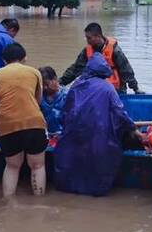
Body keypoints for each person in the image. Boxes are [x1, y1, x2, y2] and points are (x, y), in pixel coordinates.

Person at [54, 53, 145, 196]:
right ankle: (95, 191)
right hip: (99, 134)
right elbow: (120, 113)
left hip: (76, 134)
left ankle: (71, 189)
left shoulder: (76, 85)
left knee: (74, 156)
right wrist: (133, 129)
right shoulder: (108, 88)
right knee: (103, 154)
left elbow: (65, 112)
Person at [0, 43, 48, 198]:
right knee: (37, 166)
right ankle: (39, 201)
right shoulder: (34, 72)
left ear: (4, 60)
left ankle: (8, 204)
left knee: (12, 167)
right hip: (34, 123)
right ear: (24, 58)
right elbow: (38, 101)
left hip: (7, 126)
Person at [59, 22, 142, 93]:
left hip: (116, 90)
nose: (87, 40)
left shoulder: (115, 51)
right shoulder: (86, 51)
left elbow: (126, 71)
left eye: (89, 38)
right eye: (86, 38)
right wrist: (60, 83)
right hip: (95, 90)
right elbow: (76, 69)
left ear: (98, 36)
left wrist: (136, 89)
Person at [38, 66, 67, 134]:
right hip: (45, 136)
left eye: (47, 84)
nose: (45, 87)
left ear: (55, 79)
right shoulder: (38, 97)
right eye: (42, 85)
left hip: (63, 136)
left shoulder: (66, 95)